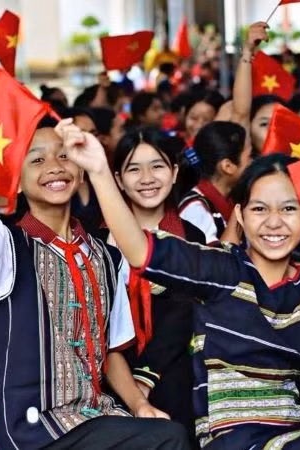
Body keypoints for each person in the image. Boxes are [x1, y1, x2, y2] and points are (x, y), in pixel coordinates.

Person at [0, 22, 190, 449]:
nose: (54, 166)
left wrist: (138, 405)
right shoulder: (4, 245)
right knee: (169, 440)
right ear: (18, 183)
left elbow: (113, 352)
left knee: (168, 428)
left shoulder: (105, 254)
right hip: (34, 431)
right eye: (37, 160)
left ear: (80, 167)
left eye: (63, 156)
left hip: (97, 414)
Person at [68, 125, 300, 449]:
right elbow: (140, 250)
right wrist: (99, 172)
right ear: (239, 213)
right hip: (233, 439)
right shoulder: (223, 268)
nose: (274, 221)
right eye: (259, 208)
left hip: (295, 433)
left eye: (289, 208)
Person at [104, 127, 206, 443]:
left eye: (157, 166)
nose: (147, 177)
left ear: (174, 173)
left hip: (171, 364)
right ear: (118, 180)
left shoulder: (192, 238)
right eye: (134, 168)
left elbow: (184, 314)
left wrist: (145, 378)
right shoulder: (95, 241)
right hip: (108, 367)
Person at [179, 121, 252, 244]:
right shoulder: (196, 211)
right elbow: (209, 261)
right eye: (250, 156)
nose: (253, 161)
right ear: (228, 166)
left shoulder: (233, 198)